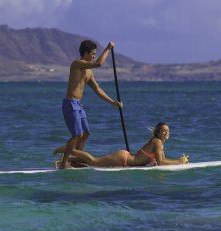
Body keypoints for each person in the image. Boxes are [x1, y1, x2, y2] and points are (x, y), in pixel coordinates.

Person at [59, 40, 123, 169]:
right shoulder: (77, 64)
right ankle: (63, 163)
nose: (94, 56)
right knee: (76, 135)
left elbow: (98, 90)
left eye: (95, 54)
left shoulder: (89, 72)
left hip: (79, 105)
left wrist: (112, 102)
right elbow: (99, 63)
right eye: (93, 54)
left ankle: (75, 159)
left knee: (86, 133)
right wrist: (108, 49)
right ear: (85, 53)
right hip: (70, 104)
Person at [53, 122, 189, 168]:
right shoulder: (157, 142)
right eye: (163, 130)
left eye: (168, 130)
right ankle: (67, 149)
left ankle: (67, 160)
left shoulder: (159, 143)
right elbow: (161, 162)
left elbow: (161, 160)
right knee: (94, 161)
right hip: (123, 158)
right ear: (158, 132)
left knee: (93, 163)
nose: (166, 132)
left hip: (125, 159)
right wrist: (179, 162)